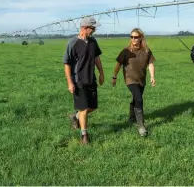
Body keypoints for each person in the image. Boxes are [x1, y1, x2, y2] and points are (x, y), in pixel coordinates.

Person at [63, 16, 104, 144]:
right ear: (85, 28)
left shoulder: (93, 41)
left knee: (93, 107)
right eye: (92, 28)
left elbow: (96, 57)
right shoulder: (73, 43)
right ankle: (84, 135)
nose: (94, 31)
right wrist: (70, 82)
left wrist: (101, 72)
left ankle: (75, 117)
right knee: (84, 109)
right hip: (78, 81)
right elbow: (67, 64)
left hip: (91, 79)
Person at [112, 28, 155, 137]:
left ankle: (132, 117)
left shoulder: (146, 50)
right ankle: (141, 126)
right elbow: (118, 65)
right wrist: (114, 76)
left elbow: (150, 64)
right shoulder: (126, 51)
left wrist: (152, 77)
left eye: (135, 37)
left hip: (141, 79)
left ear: (141, 37)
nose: (133, 39)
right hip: (129, 78)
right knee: (139, 99)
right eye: (131, 37)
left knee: (136, 98)